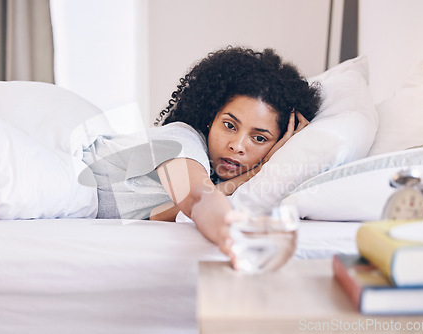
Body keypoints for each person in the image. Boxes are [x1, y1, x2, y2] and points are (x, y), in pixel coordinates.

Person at [82, 46, 320, 258]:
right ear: (211, 118)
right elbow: (199, 198)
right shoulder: (182, 141)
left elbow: (156, 215)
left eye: (259, 138)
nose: (237, 145)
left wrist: (255, 173)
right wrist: (232, 236)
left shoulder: (217, 173)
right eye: (229, 125)